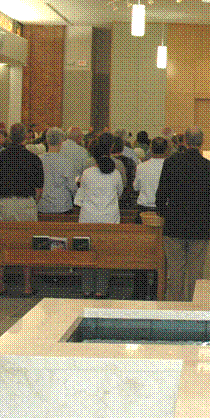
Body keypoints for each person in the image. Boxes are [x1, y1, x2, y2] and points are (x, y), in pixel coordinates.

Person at [155, 126, 210, 301]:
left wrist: (163, 214)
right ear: (202, 143)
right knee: (195, 272)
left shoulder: (170, 163)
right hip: (200, 226)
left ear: (184, 141)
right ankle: (193, 308)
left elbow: (161, 195)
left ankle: (174, 310)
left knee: (175, 271)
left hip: (174, 224)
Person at [0, 123, 44, 296]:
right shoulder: (33, 158)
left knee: (1, 242)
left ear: (9, 137)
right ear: (26, 137)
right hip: (25, 202)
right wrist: (32, 203)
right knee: (27, 243)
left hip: (4, 202)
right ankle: (27, 285)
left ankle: (0, 284)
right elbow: (39, 190)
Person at [75, 131, 124, 298]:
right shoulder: (115, 173)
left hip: (89, 217)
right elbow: (119, 193)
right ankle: (101, 289)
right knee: (105, 252)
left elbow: (80, 195)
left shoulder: (87, 173)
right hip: (109, 218)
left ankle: (87, 287)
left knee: (88, 252)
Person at [37, 127, 78, 215]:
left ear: (47, 141)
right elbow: (71, 186)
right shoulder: (66, 162)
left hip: (43, 206)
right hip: (62, 207)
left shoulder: (39, 159)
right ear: (61, 143)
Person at [134, 136, 169, 214]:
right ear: (166, 150)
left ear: (151, 149)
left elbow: (136, 187)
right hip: (164, 209)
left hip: (144, 208)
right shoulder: (171, 167)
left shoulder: (141, 166)